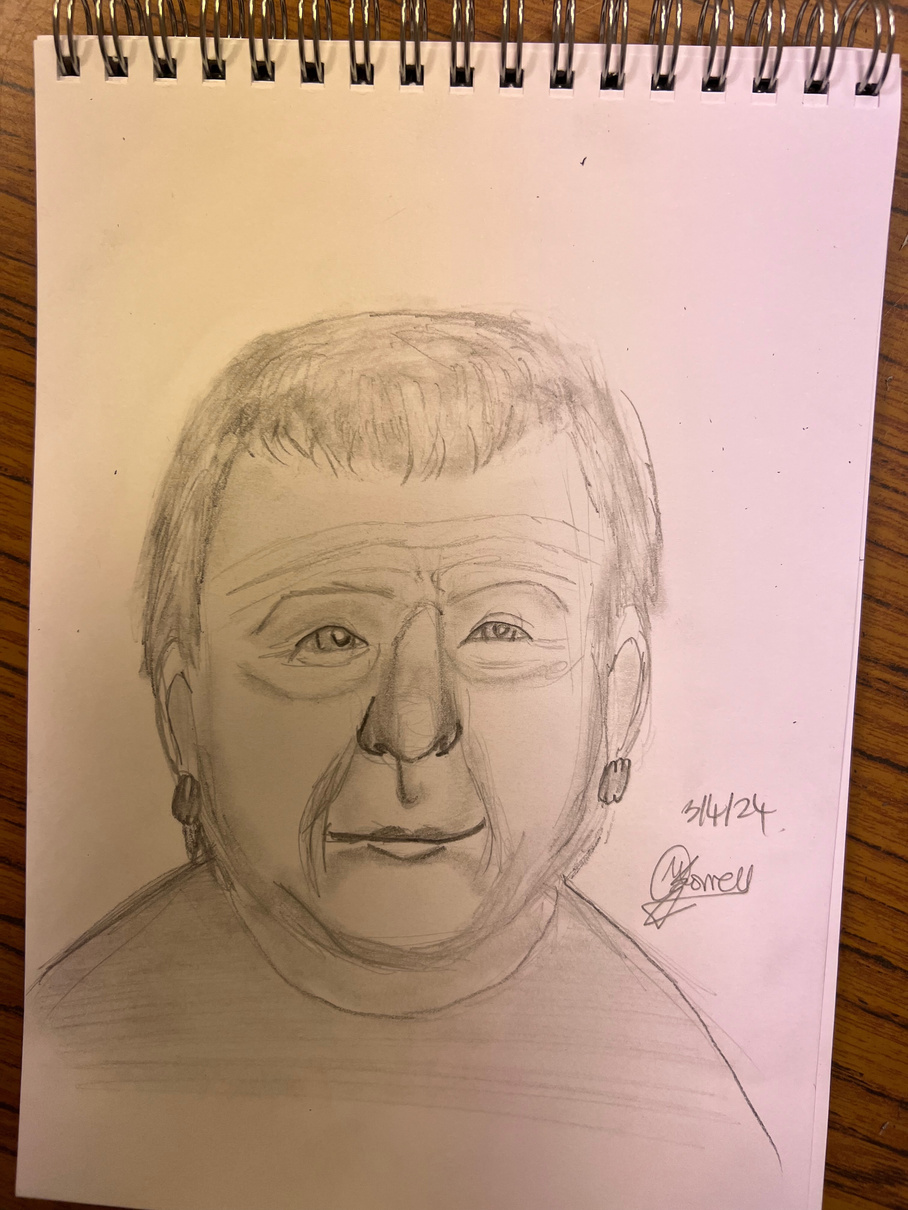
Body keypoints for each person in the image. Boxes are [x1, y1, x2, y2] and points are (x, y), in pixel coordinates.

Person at [30, 311, 778, 1206]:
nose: (412, 728)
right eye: (328, 636)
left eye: (499, 630)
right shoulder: (65, 1057)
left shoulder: (693, 1119)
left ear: (618, 704)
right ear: (184, 715)